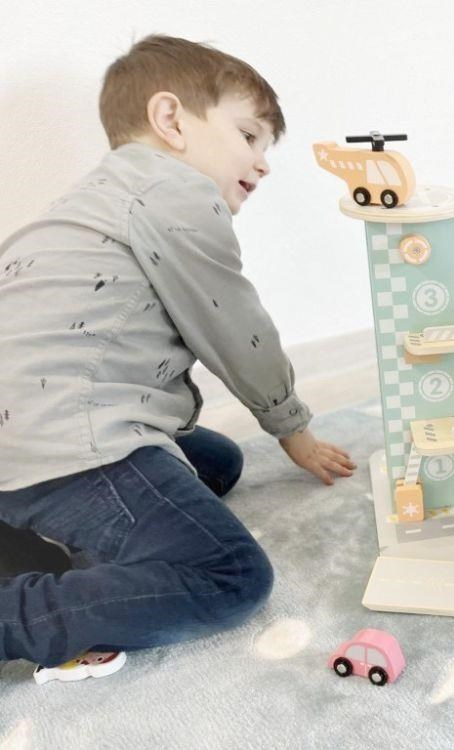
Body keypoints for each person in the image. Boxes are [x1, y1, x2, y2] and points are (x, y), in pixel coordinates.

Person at [0, 35, 355, 682]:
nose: (263, 163)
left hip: (21, 438)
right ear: (171, 120)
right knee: (229, 575)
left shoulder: (90, 202)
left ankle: (20, 536)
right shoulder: (176, 192)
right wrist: (292, 428)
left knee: (215, 461)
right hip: (67, 439)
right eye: (249, 136)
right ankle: (13, 617)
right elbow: (235, 327)